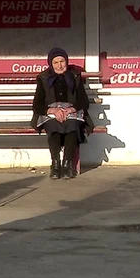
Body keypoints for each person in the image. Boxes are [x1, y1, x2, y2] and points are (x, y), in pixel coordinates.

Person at [31, 48, 93, 179]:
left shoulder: (75, 76)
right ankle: (55, 164)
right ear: (50, 64)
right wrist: (53, 110)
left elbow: (84, 102)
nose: (59, 65)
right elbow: (37, 104)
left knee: (72, 125)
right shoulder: (43, 78)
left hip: (71, 112)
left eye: (62, 61)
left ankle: (67, 165)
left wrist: (71, 109)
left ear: (67, 61)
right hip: (51, 113)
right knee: (53, 125)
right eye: (56, 62)